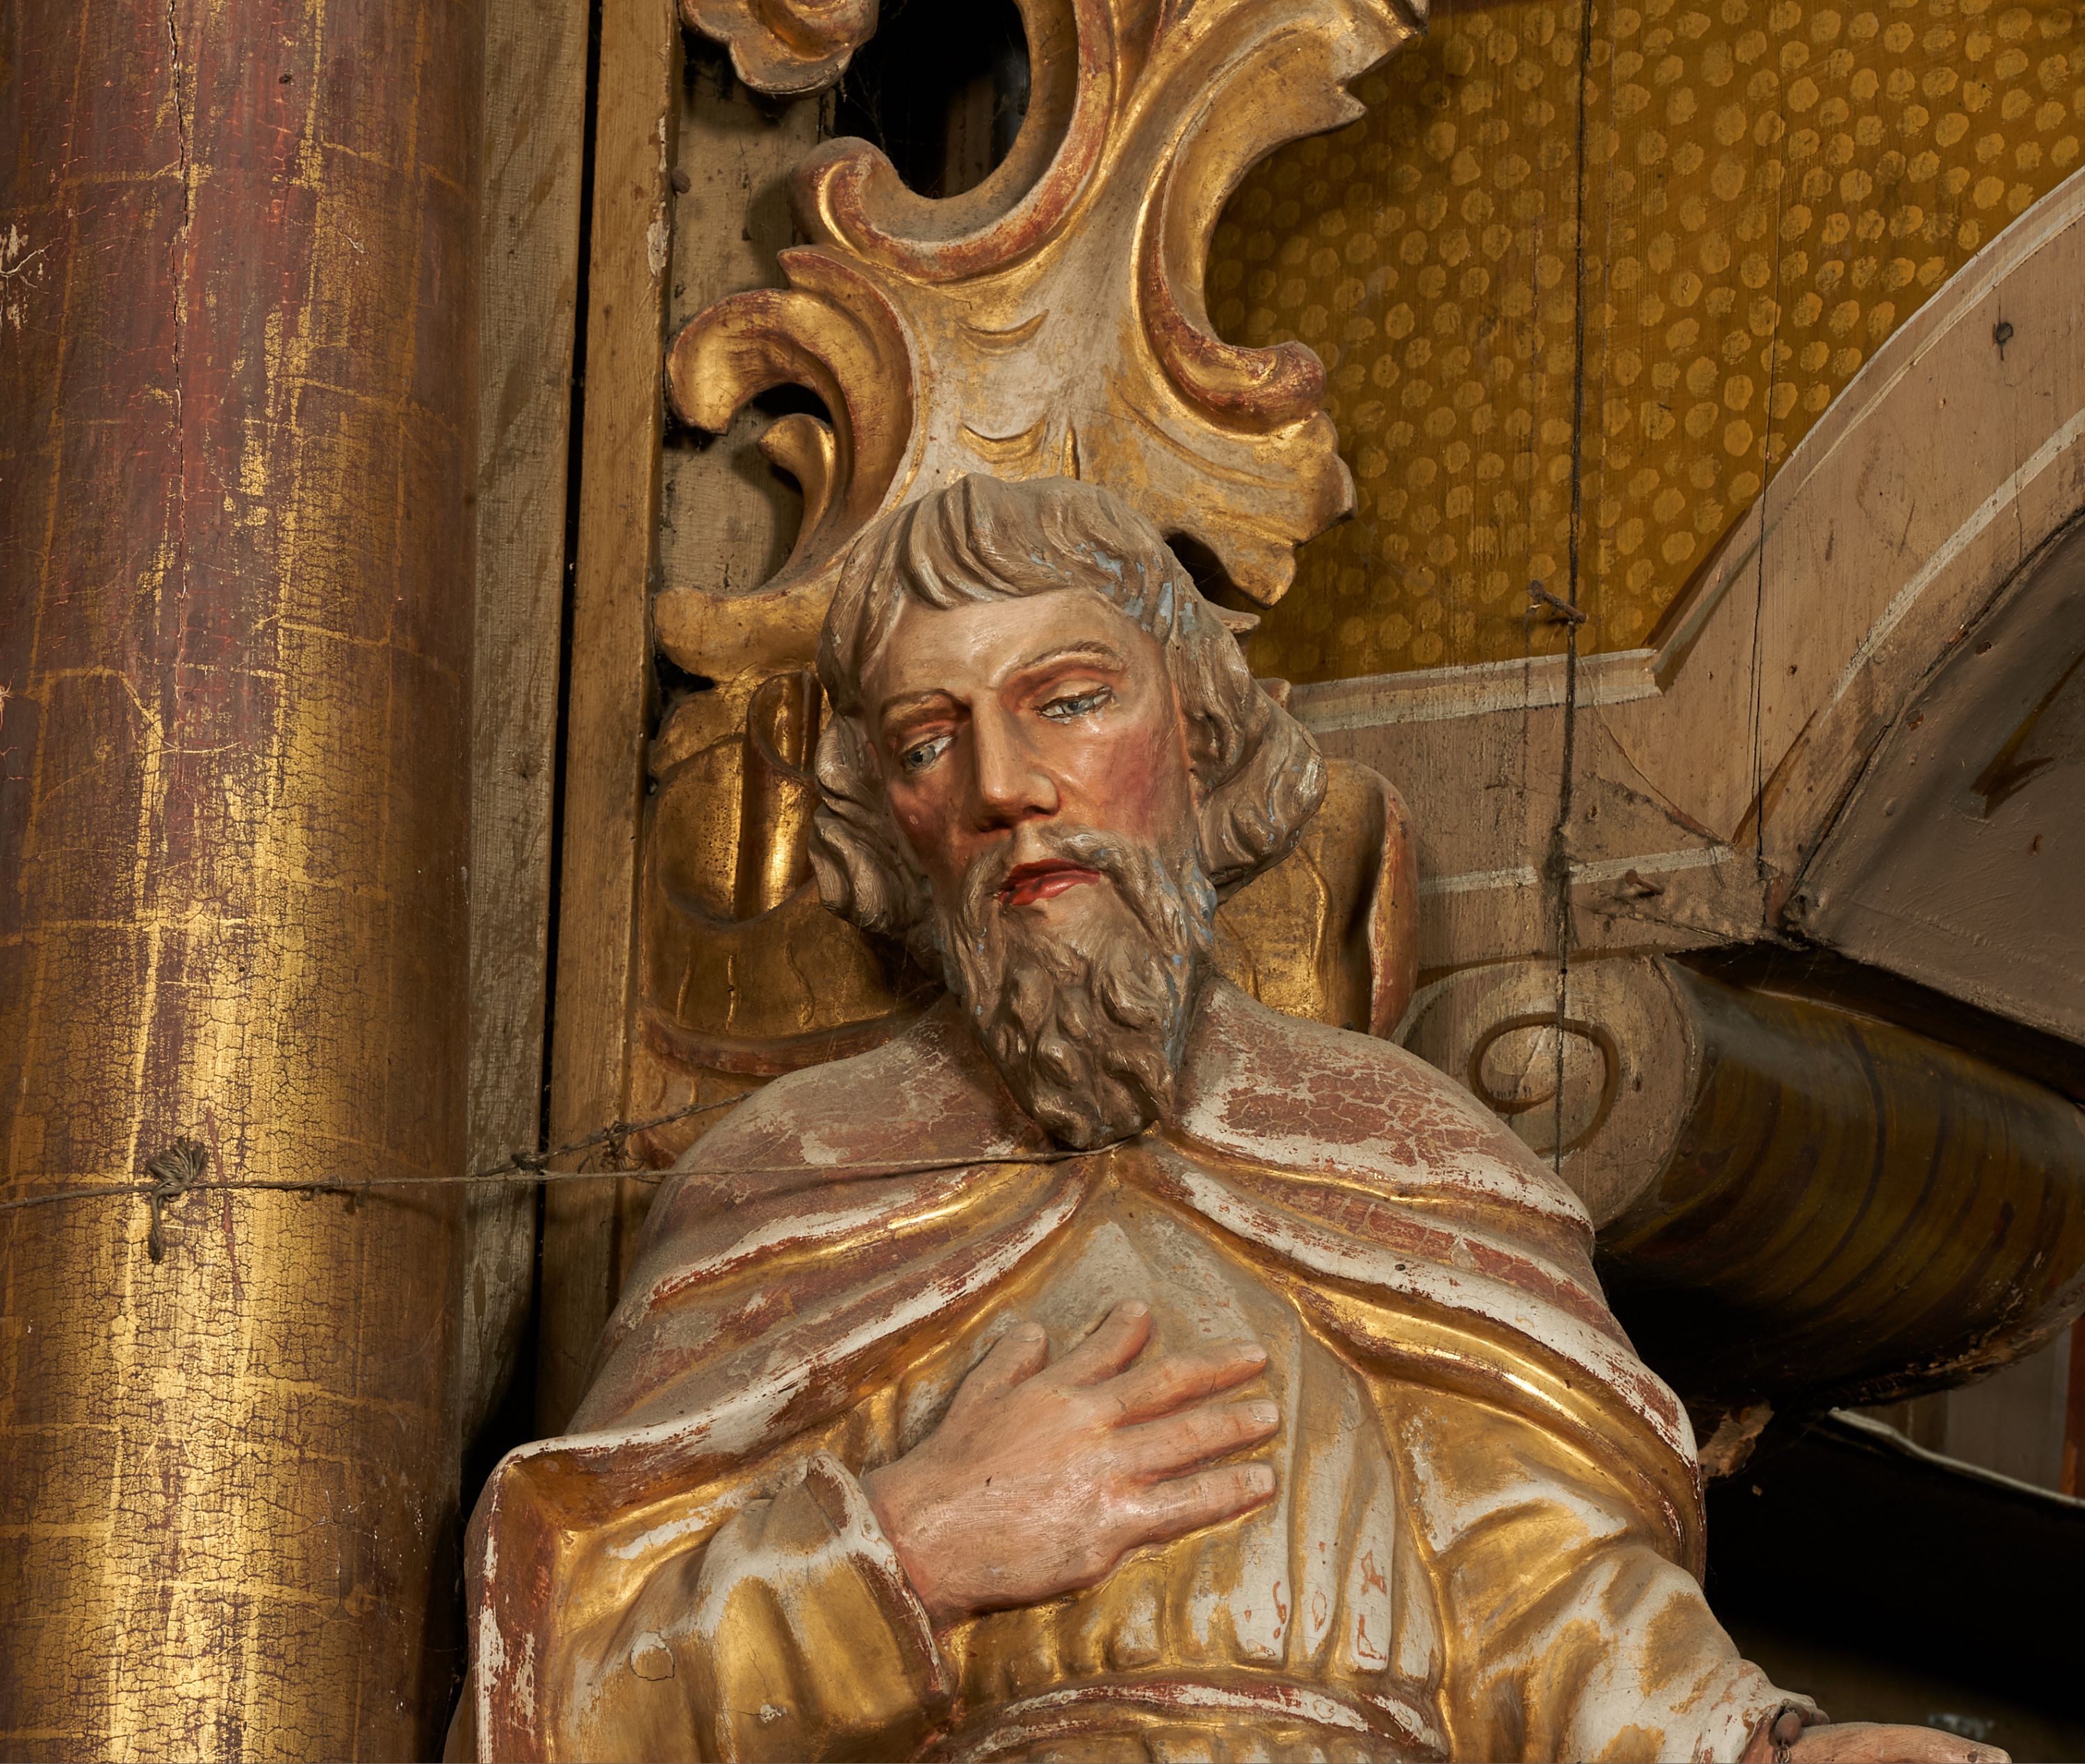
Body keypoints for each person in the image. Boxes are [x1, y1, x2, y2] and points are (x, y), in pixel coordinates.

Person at [458, 474, 2001, 1764]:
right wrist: (907, 1548)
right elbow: (558, 1710)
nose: (1005, 785)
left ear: (1194, 733)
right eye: (928, 741)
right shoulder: (790, 1183)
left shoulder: (1402, 1148)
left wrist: (1767, 1750)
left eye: (1069, 701)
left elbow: (1553, 1612)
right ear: (888, 817)